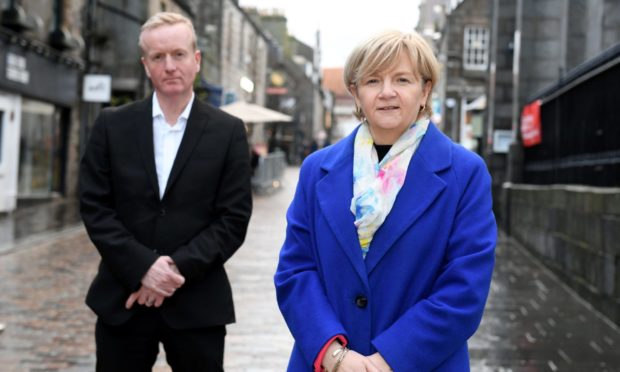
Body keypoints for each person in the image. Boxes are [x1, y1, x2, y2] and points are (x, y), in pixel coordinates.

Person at [274, 30, 496, 371]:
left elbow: (464, 289)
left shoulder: (465, 174)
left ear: (424, 91)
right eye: (373, 80)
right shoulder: (316, 170)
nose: (387, 92)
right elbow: (296, 272)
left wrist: (387, 361)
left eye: (402, 79)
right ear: (356, 94)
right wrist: (335, 356)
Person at [79, 12, 252, 371]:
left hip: (197, 302)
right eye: (158, 57)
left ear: (196, 59)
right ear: (145, 65)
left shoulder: (228, 132)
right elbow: (95, 207)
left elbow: (233, 219)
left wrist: (170, 269)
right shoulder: (112, 125)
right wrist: (143, 267)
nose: (169, 65)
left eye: (178, 54)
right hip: (123, 300)